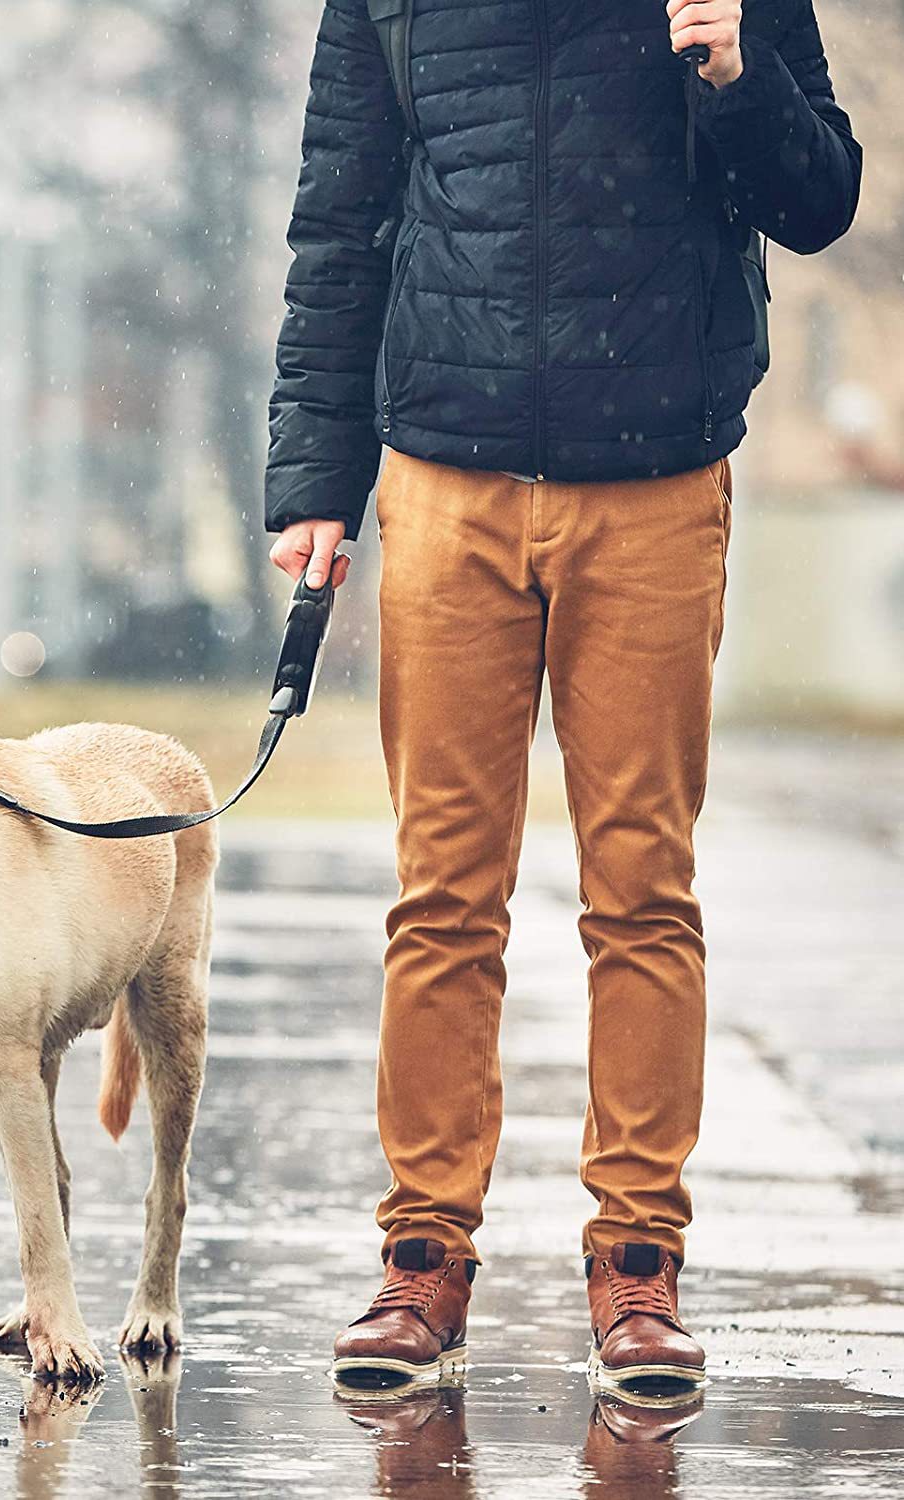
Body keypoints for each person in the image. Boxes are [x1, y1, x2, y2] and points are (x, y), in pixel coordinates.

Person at [266, 0, 861, 1387]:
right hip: (445, 483)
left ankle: (639, 1268)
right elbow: (341, 221)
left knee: (642, 887)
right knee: (442, 893)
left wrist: (732, 70)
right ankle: (422, 1263)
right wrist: (315, 481)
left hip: (656, 481)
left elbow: (820, 198)